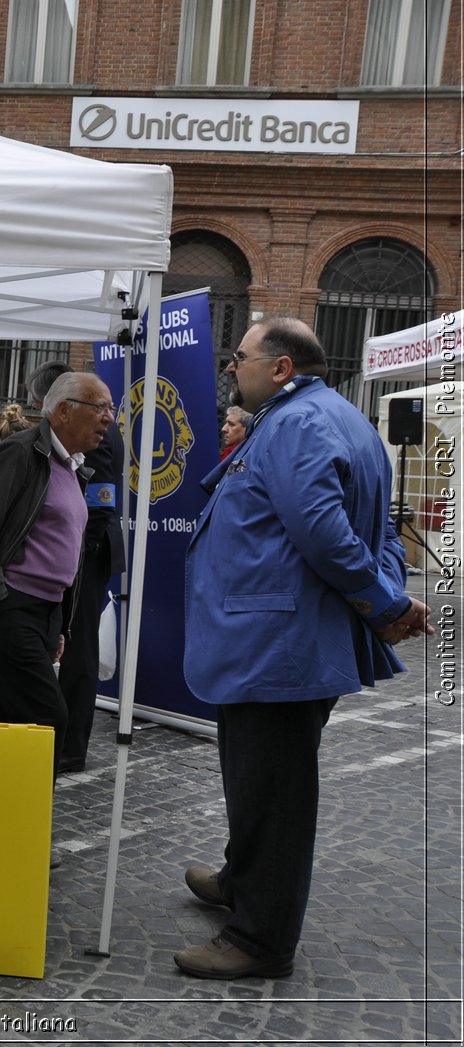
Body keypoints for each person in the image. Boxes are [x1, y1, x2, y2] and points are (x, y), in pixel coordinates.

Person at [176, 318, 432, 980]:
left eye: (241, 359)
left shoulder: (295, 424)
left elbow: (325, 533)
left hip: (275, 642)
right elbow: (376, 533)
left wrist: (388, 605)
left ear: (282, 367)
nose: (233, 368)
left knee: (275, 792)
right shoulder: (342, 419)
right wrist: (386, 597)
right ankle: (241, 878)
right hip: (268, 640)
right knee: (254, 778)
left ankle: (259, 939)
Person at [0, 372, 115, 773]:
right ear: (64, 411)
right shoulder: (20, 453)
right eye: (100, 407)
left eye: (111, 409)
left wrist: (61, 624)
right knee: (48, 718)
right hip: (8, 606)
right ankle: (25, 823)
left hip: (43, 610)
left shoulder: (71, 466)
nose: (109, 418)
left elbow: (65, 550)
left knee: (2, 719)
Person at [25, 362, 127, 773]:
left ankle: (70, 746)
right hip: (86, 545)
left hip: (89, 546)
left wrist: (78, 550)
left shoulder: (96, 434)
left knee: (80, 644)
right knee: (74, 638)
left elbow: (100, 500)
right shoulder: (95, 428)